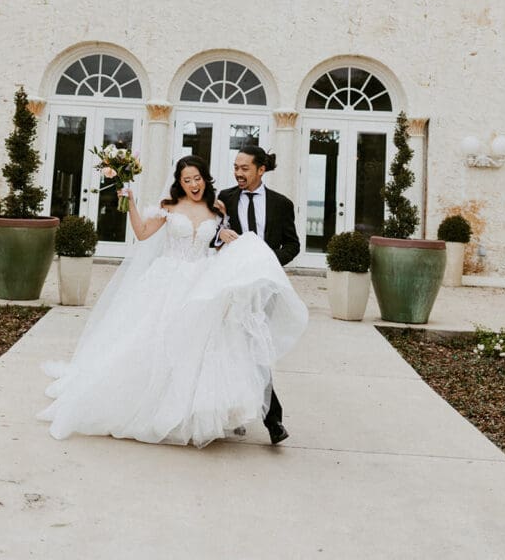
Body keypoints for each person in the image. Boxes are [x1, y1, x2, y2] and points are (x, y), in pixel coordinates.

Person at [39, 154, 307, 448]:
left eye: (197, 178)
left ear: (205, 178)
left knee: (199, 348)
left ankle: (200, 411)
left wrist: (227, 240)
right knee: (152, 340)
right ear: (179, 183)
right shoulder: (168, 207)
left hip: (201, 283)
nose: (193, 184)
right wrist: (130, 202)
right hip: (166, 282)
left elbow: (217, 246)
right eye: (187, 180)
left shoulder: (218, 208)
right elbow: (142, 234)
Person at [214, 146, 301, 444]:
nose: (238, 173)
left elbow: (293, 245)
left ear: (261, 169)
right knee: (234, 347)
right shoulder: (225, 198)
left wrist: (268, 263)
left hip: (264, 288)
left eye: (244, 168)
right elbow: (212, 232)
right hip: (232, 288)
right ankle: (268, 418)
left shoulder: (281, 204)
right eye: (235, 167)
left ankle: (268, 416)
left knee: (256, 347)